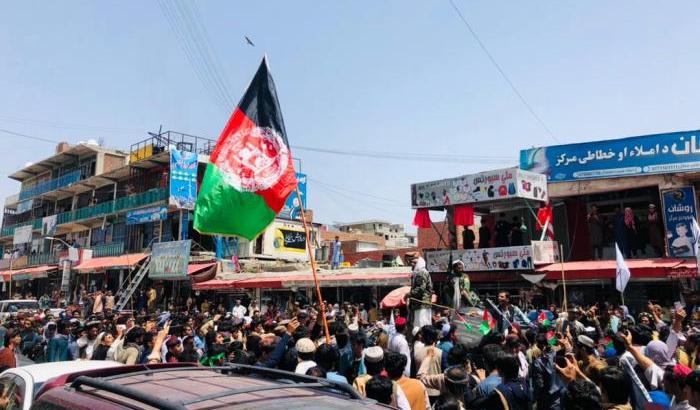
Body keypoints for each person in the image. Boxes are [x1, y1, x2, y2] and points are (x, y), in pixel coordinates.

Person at [404, 251, 433, 333]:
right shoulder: (418, 272)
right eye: (410, 262)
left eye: (413, 262)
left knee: (420, 327)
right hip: (419, 305)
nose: (411, 265)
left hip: (422, 305)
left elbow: (420, 289)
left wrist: (408, 294)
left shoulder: (421, 272)